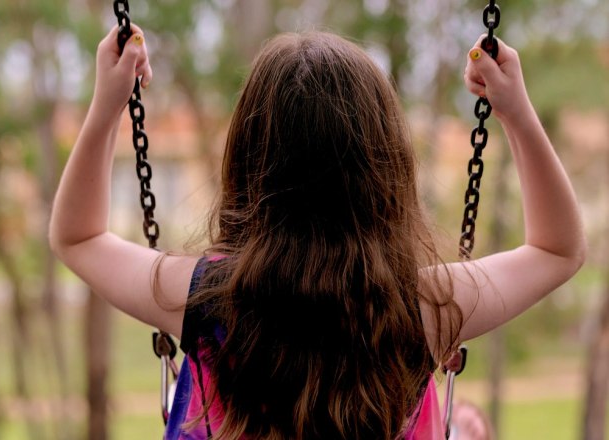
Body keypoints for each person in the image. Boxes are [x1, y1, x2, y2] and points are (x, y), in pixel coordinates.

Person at [49, 24, 585, 440]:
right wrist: (514, 110)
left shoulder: (207, 298)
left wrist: (107, 106)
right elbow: (557, 249)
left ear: (247, 162)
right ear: (387, 169)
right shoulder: (422, 306)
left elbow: (78, 237)